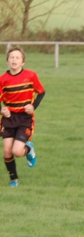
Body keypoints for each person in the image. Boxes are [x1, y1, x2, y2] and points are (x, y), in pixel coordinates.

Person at [1, 46, 45, 188]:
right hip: (9, 119)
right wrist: (2, 110)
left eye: (17, 57)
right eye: (11, 57)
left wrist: (33, 106)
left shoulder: (31, 76)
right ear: (7, 60)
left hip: (24, 118)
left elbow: (41, 92)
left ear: (23, 62)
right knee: (7, 151)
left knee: (17, 151)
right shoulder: (2, 79)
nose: (14, 59)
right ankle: (14, 179)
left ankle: (28, 149)